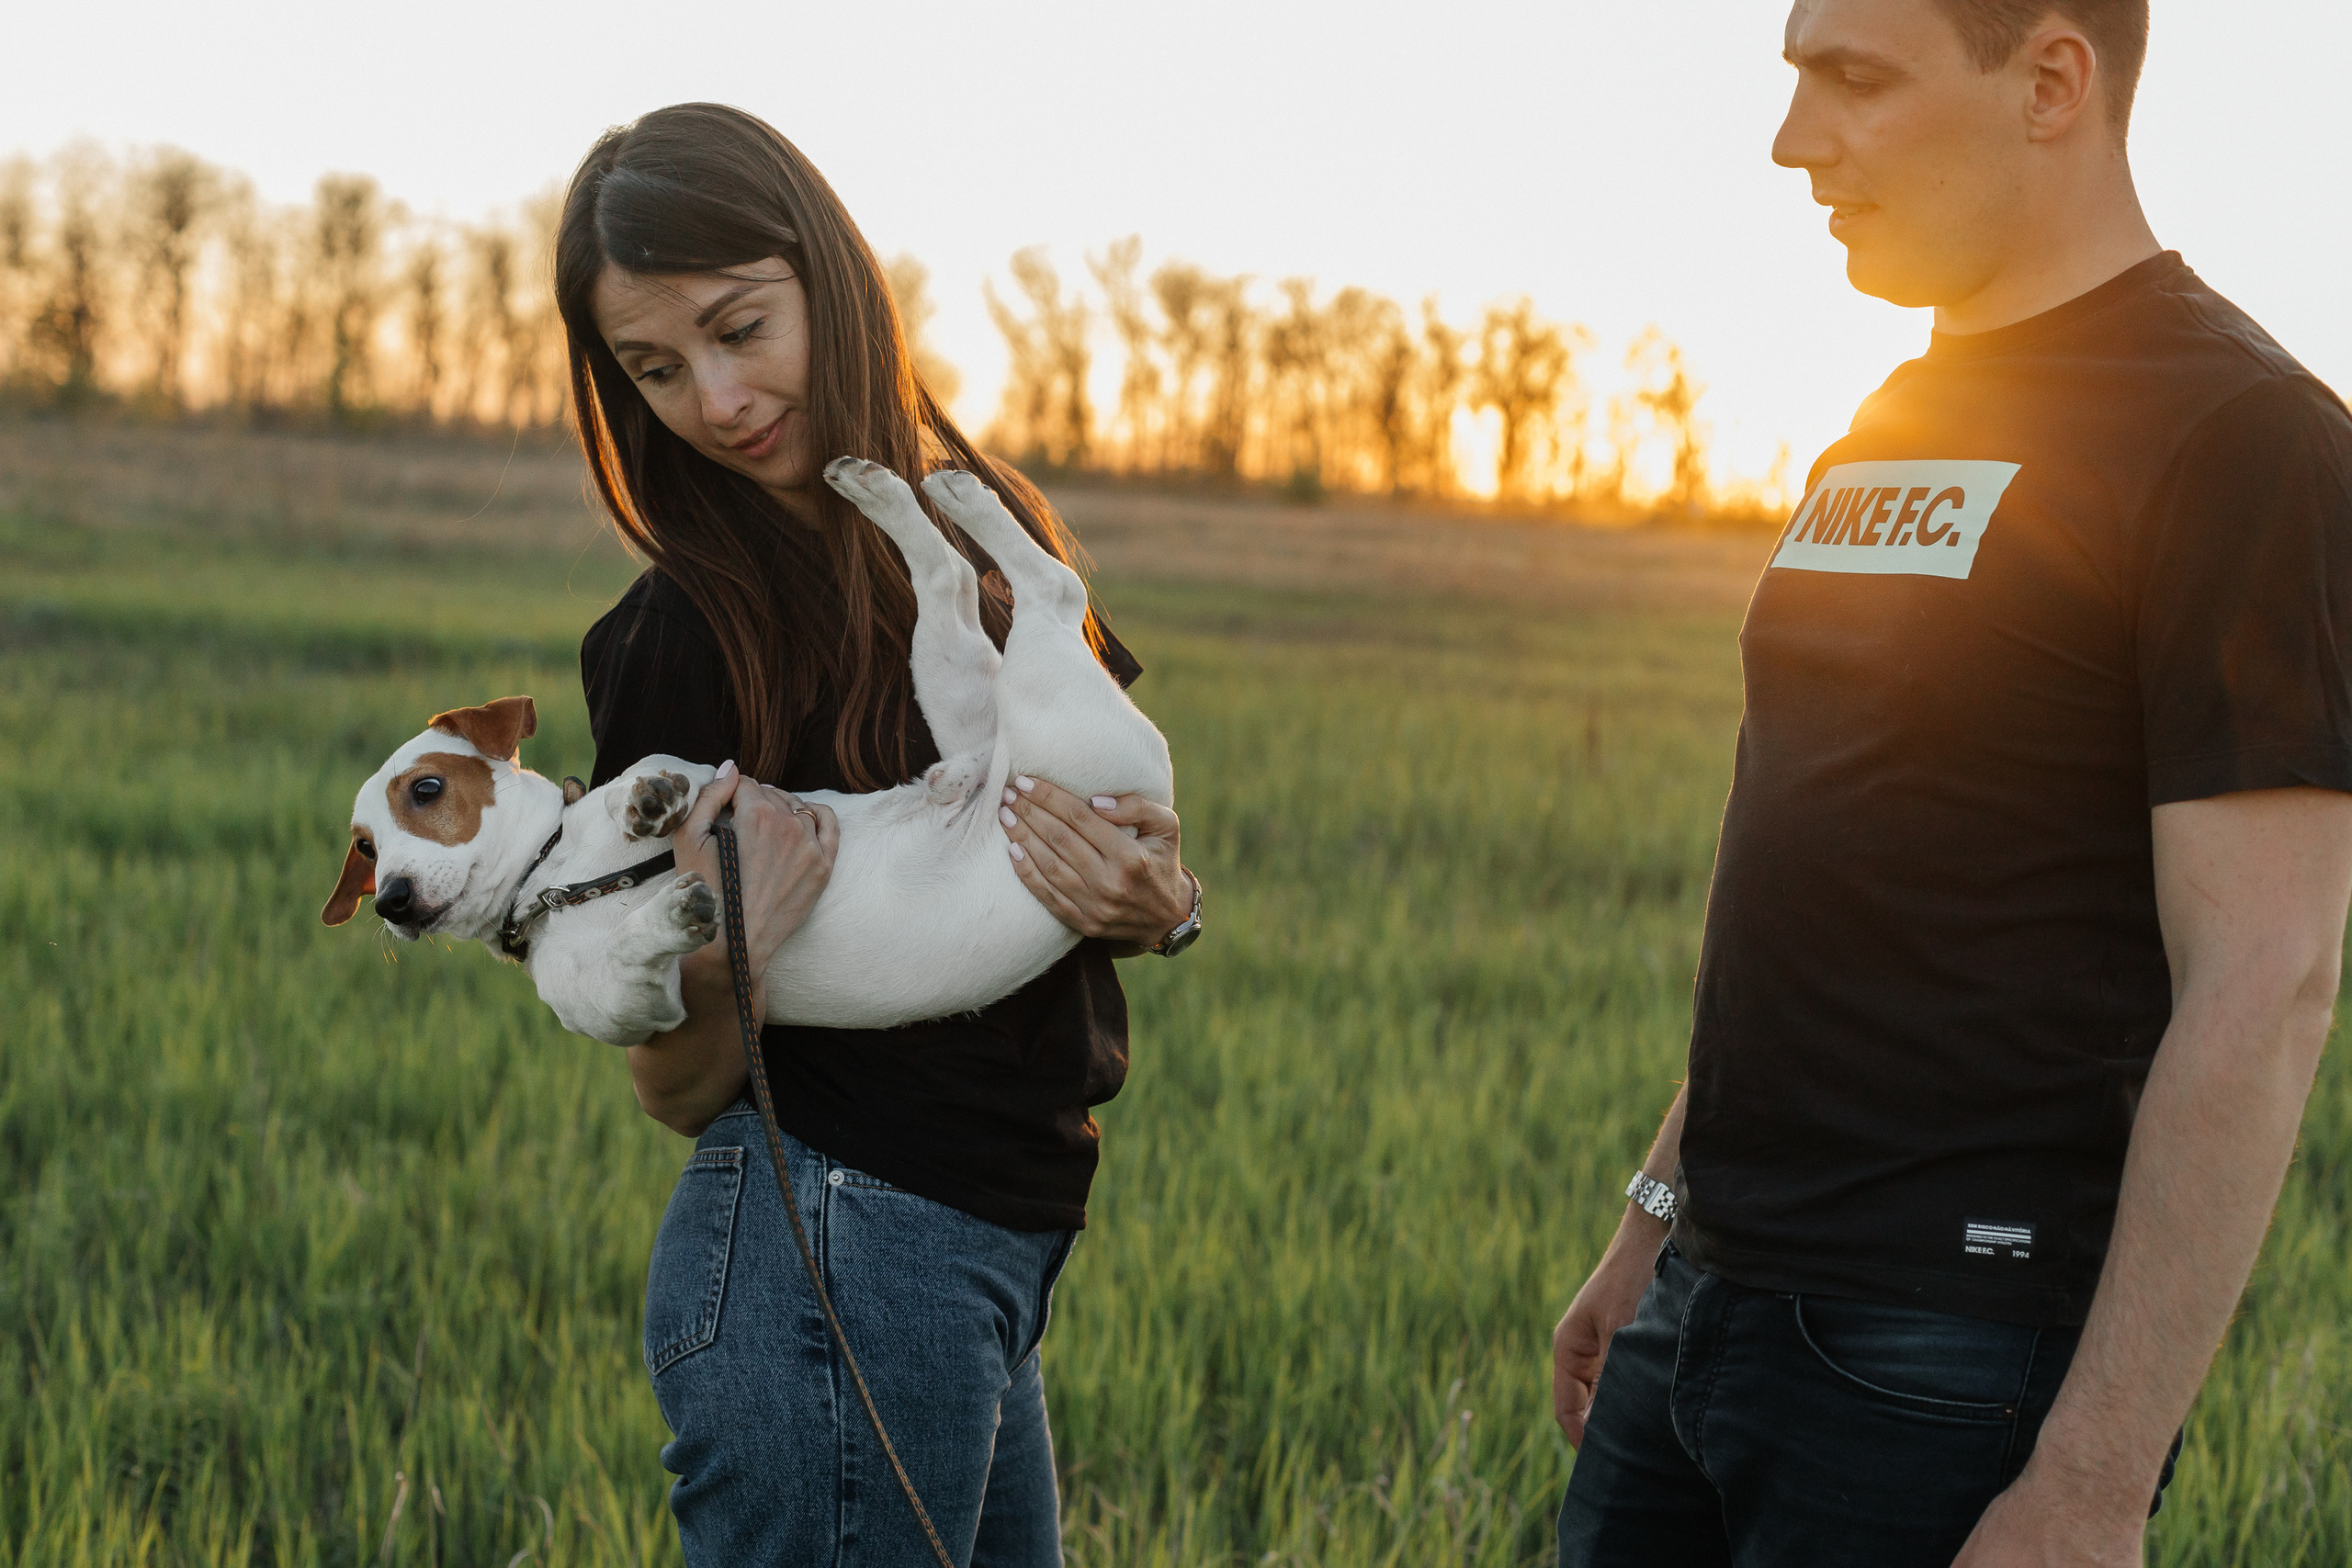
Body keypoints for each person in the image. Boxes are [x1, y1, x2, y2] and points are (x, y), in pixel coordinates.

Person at [1549, 3, 2352, 1563]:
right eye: (1793, 79)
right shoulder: (1892, 420)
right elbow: (1822, 869)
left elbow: (2270, 979)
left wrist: (2095, 1483)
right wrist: (1653, 1223)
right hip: (1710, 1300)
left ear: (2051, 81)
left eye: (1853, 79)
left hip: (1947, 1356)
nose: (1794, 141)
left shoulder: (2246, 442)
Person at [554, 104, 1204, 1567]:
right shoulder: (676, 640)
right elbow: (669, 1083)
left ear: (829, 279)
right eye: (656, 368)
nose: (714, 401)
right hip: (831, 1245)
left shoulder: (989, 538)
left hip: (992, 1246)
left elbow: (1111, 840)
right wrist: (739, 949)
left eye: (740, 328)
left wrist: (1163, 902)